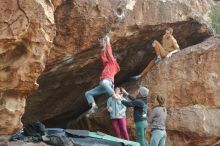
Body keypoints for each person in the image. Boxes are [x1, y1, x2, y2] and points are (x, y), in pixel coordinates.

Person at [85, 36, 120, 117]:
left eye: (112, 58)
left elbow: (109, 52)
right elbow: (104, 57)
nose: (110, 58)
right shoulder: (108, 64)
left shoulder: (113, 63)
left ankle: (114, 95)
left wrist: (108, 41)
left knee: (104, 82)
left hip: (108, 82)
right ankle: (93, 106)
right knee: (87, 93)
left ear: (114, 59)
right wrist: (104, 46)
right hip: (103, 85)